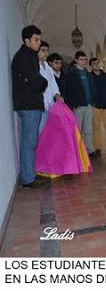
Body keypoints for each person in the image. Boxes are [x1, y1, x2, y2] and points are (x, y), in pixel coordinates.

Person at [12, 25, 49, 188]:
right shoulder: (25, 56)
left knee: (31, 141)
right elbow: (36, 81)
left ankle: (30, 174)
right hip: (28, 104)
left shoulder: (28, 55)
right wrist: (44, 82)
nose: (39, 43)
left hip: (29, 103)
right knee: (29, 142)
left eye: (39, 39)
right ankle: (28, 179)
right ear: (26, 40)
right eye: (36, 39)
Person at [64, 51, 98, 158]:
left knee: (88, 129)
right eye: (81, 59)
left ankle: (90, 149)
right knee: (77, 129)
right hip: (78, 106)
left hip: (89, 105)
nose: (83, 62)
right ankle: (77, 150)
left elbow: (92, 88)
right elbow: (68, 91)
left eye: (85, 59)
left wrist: (93, 101)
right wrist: (72, 105)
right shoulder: (71, 74)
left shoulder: (88, 74)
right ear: (76, 60)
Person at [37, 41, 63, 134]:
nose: (46, 53)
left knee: (49, 132)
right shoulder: (35, 66)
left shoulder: (47, 67)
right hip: (40, 105)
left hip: (50, 105)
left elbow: (52, 83)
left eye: (47, 50)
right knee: (41, 131)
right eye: (43, 50)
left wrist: (57, 95)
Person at [89, 57, 106, 155]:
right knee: (96, 127)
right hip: (95, 105)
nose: (96, 65)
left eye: (97, 63)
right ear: (91, 65)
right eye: (94, 63)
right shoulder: (89, 76)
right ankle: (97, 148)